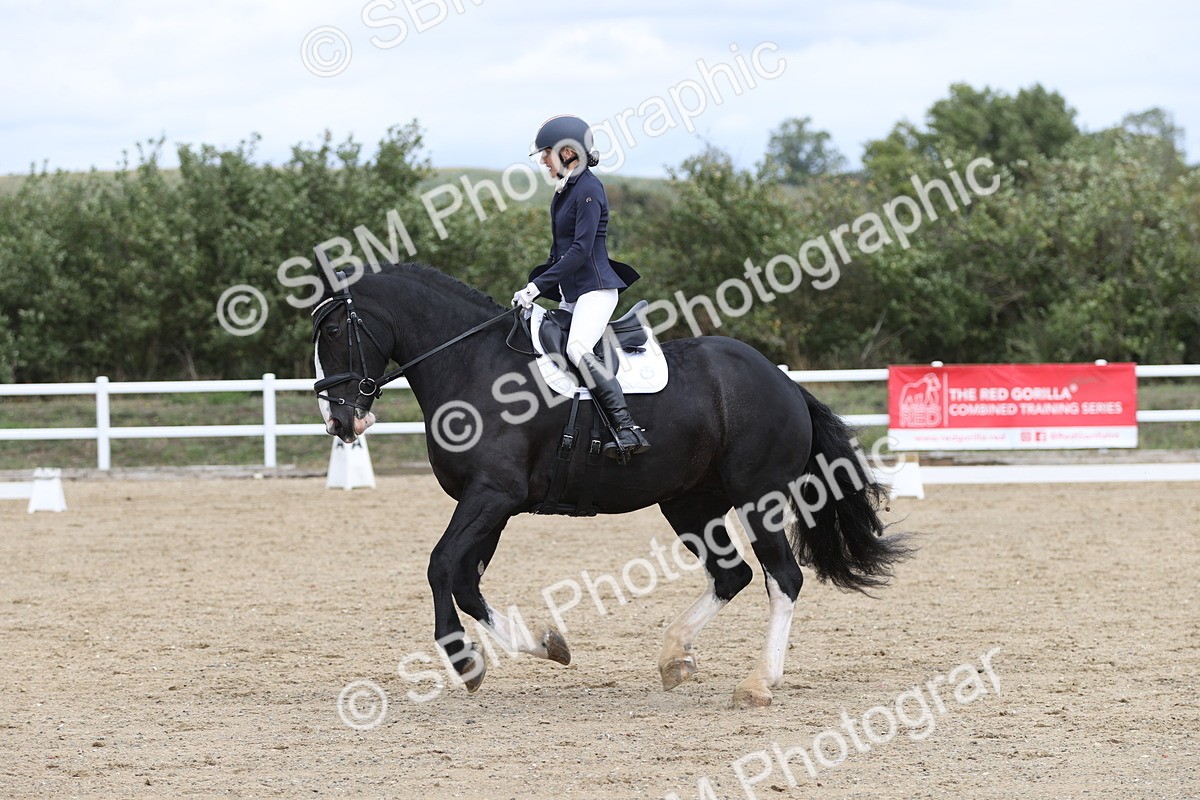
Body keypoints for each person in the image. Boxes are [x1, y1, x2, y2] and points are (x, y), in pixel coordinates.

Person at [511, 114, 650, 460]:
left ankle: (626, 428)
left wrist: (536, 286)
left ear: (569, 152)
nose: (543, 160)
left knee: (576, 349)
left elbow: (580, 250)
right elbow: (558, 251)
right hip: (574, 292)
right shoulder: (566, 190)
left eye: (547, 153)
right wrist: (539, 290)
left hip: (596, 290)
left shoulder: (589, 189)